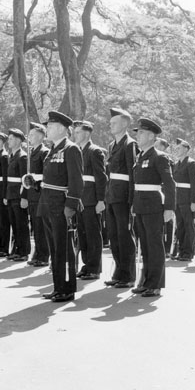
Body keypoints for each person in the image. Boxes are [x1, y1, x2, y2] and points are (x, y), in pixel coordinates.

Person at [39, 111, 84, 302]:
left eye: (49, 127)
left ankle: (66, 288)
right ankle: (58, 286)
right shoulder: (53, 149)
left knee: (64, 248)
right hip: (48, 203)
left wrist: (70, 206)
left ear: (61, 129)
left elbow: (76, 181)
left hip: (61, 206)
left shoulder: (70, 149)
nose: (46, 130)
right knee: (54, 248)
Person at [130, 118, 176, 297]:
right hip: (141, 204)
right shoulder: (141, 156)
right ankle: (146, 281)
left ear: (151, 136)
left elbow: (170, 184)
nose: (137, 136)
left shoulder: (159, 157)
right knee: (145, 246)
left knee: (155, 246)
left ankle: (155, 284)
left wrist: (169, 208)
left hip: (154, 205)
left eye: (141, 133)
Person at [104, 107, 138, 288]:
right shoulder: (112, 145)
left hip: (123, 196)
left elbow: (133, 174)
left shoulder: (130, 144)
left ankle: (129, 275)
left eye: (114, 122)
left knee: (124, 235)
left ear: (125, 124)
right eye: (110, 123)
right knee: (114, 235)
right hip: (112, 195)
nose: (111, 125)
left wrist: (132, 200)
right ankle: (119, 272)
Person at [72, 120, 107, 280]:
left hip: (92, 199)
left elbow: (101, 178)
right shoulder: (78, 150)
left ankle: (94, 268)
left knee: (93, 234)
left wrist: (101, 200)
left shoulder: (95, 151)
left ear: (86, 133)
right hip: (80, 199)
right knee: (83, 234)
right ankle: (86, 265)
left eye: (78, 132)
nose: (75, 135)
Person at [25, 123, 50, 267]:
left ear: (41, 136)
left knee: (41, 226)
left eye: (33, 135)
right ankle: (37, 253)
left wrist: (34, 178)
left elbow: (45, 174)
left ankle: (43, 255)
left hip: (39, 192)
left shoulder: (44, 152)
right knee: (35, 226)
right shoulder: (31, 152)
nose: (30, 137)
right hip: (32, 193)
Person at [171, 138, 195, 261]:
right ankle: (181, 250)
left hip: (187, 199)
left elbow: (194, 183)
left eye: (180, 148)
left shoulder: (191, 163)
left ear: (186, 149)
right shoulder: (176, 164)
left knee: (188, 226)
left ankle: (188, 253)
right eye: (176, 148)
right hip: (178, 199)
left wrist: (194, 201)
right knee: (180, 225)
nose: (177, 150)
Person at [5, 129, 30, 261]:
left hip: (18, 195)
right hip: (11, 194)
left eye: (11, 139)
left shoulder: (22, 156)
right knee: (14, 224)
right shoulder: (12, 156)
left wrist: (24, 197)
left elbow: (25, 179)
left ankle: (24, 251)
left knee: (21, 224)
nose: (8, 141)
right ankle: (17, 249)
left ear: (19, 140)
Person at [155, 138, 176, 258]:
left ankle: (167, 248)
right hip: (157, 191)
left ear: (163, 147)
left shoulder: (167, 160)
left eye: (157, 145)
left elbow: (169, 181)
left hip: (164, 192)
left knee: (167, 222)